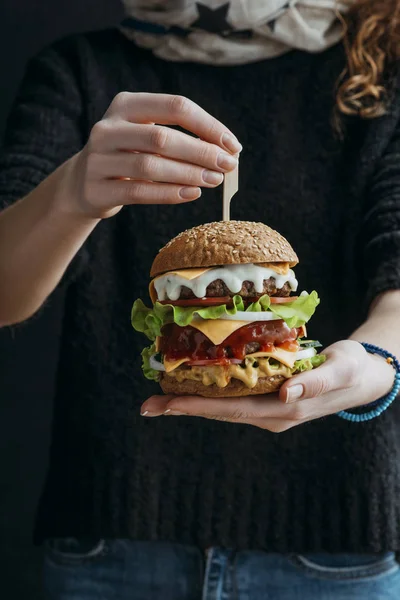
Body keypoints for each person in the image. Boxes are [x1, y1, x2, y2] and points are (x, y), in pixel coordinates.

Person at [1, 0, 400, 598]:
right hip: (109, 539)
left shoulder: (381, 75)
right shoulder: (78, 69)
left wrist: (375, 363)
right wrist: (71, 195)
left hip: (331, 548)